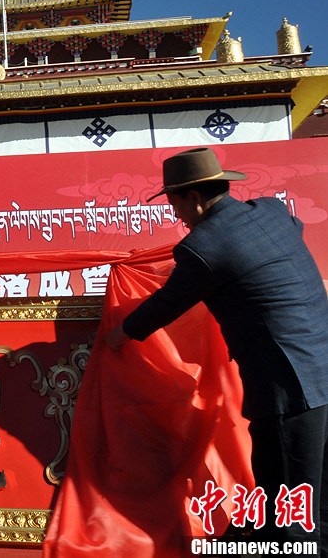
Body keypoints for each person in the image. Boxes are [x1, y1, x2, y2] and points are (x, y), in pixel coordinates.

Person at [106, 148, 328, 553]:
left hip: (288, 386)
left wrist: (120, 333)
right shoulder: (273, 211)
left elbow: (167, 304)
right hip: (321, 366)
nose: (177, 216)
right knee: (313, 494)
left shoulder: (204, 246)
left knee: (291, 504)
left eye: (175, 204)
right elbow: (281, 244)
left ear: (194, 198)